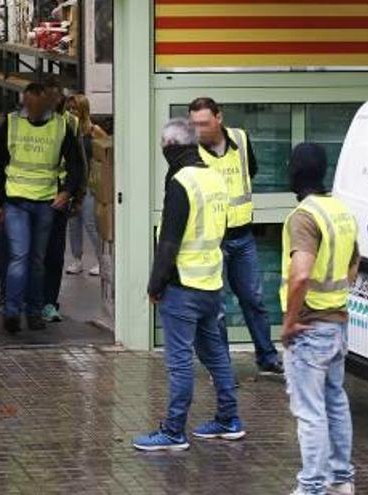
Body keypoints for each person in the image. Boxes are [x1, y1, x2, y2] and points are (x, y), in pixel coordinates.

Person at [133, 118, 244, 452]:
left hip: (183, 287)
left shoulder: (181, 182)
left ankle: (173, 430)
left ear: (169, 147)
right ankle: (228, 420)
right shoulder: (213, 177)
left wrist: (155, 284)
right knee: (216, 356)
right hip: (211, 283)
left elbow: (169, 240)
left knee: (179, 361)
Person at [282, 143, 358, 495]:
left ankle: (311, 487)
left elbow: (300, 275)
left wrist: (290, 322)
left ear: (295, 172)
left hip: (310, 327)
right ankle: (340, 479)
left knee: (310, 411)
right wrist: (337, 300)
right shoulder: (341, 211)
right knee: (335, 402)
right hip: (337, 322)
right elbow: (355, 265)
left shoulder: (304, 217)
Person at [189, 97, 283, 375]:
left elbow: (250, 171)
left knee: (253, 299)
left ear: (219, 118)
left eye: (204, 123)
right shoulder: (192, 151)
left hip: (242, 236)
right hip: (213, 241)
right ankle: (223, 368)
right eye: (194, 124)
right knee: (216, 308)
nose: (200, 129)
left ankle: (267, 357)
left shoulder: (240, 140)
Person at [0, 82, 84, 333]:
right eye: (28, 104)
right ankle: (13, 311)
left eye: (36, 105)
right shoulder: (12, 123)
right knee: (20, 257)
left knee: (36, 260)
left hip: (45, 202)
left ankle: (33, 312)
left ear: (46, 104)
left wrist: (67, 192)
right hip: (16, 201)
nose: (31, 109)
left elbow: (76, 164)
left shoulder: (61, 126)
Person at [41, 77, 86, 322]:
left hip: (57, 196)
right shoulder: (22, 121)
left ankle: (49, 301)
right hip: (27, 197)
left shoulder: (70, 122)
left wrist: (77, 195)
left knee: (54, 254)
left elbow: (79, 162)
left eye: (56, 95)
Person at [65, 94, 108, 277]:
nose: (72, 112)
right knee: (73, 222)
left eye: (75, 108)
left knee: (90, 222)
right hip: (73, 182)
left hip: (90, 183)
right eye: (70, 108)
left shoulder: (93, 130)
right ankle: (77, 259)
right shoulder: (68, 129)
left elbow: (106, 151)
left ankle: (101, 260)